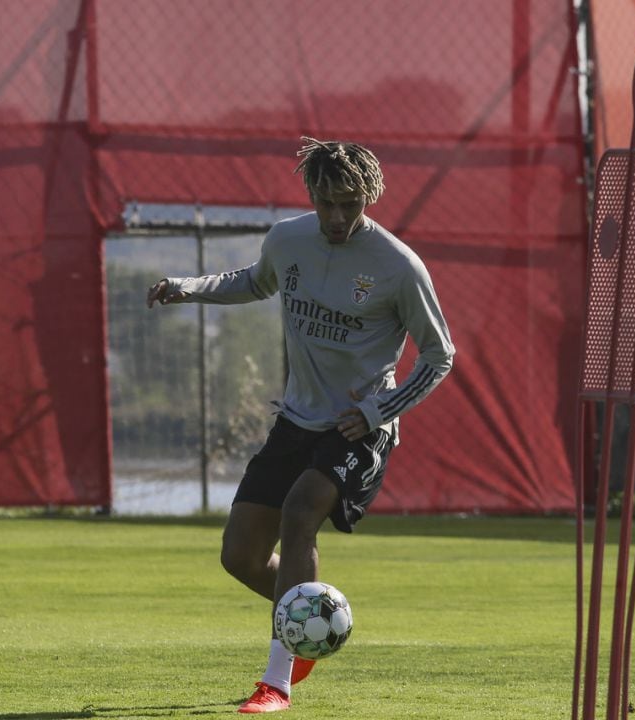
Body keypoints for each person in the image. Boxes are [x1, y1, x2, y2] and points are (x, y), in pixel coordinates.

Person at [146, 137, 456, 713]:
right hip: (297, 419)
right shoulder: (288, 239)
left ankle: (277, 681)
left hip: (358, 428)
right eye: (326, 202)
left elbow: (440, 356)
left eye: (350, 203)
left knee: (299, 513)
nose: (338, 216)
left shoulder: (397, 265)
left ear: (368, 196)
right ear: (310, 194)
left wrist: (376, 413)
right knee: (238, 555)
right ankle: (313, 621)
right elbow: (255, 281)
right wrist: (186, 287)